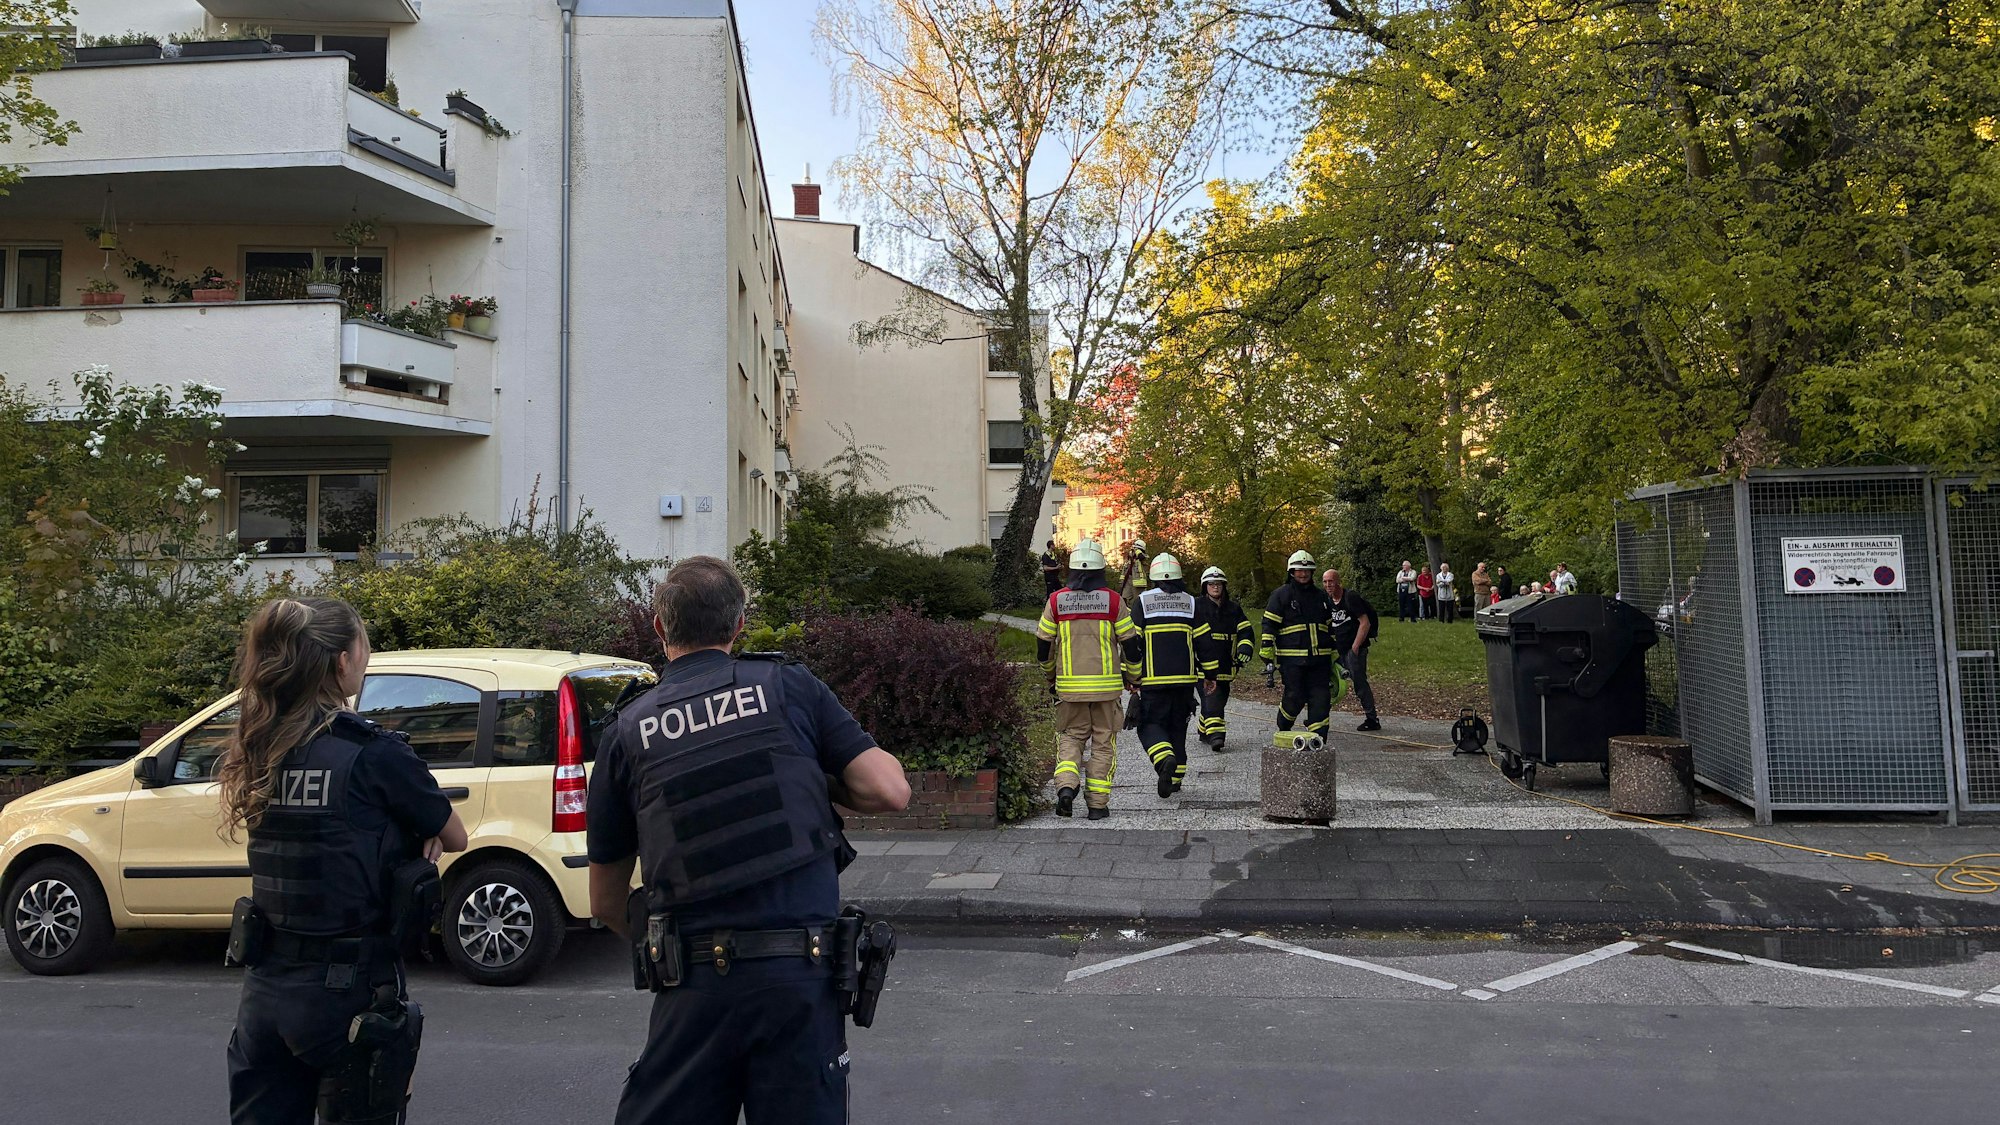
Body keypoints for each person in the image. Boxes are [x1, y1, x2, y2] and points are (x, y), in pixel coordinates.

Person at [587, 557, 912, 1125]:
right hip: (800, 988)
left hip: (691, 990)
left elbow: (606, 903)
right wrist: (812, 780)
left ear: (660, 628)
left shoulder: (628, 731)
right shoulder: (787, 687)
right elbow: (889, 790)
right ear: (739, 625)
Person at [218, 596, 470, 1125]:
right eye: (364, 646)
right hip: (346, 994)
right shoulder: (374, 751)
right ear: (341, 662)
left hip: (265, 992)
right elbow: (455, 834)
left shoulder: (261, 743)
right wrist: (414, 835)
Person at [1036, 540, 1141, 819]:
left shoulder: (1056, 601)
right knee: (1103, 744)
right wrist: (1134, 678)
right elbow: (1131, 645)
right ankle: (1097, 805)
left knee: (1071, 739)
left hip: (1069, 691)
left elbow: (1043, 644)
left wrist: (1050, 676)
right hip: (1107, 691)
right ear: (1101, 569)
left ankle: (1066, 788)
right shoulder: (1114, 602)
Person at [1128, 553, 1217, 797]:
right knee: (1178, 728)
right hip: (1184, 683)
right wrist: (1211, 674)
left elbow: (1132, 643)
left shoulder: (1143, 603)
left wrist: (1131, 677)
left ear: (1154, 577)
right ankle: (1175, 779)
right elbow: (1205, 643)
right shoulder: (1191, 603)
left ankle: (1164, 760)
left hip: (1153, 682)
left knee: (1150, 725)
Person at [1260, 551, 1340, 743]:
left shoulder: (1321, 597)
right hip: (1292, 660)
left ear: (1312, 572)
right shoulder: (1281, 595)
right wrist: (1267, 648)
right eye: (1299, 570)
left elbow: (1329, 628)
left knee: (1321, 698)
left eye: (1307, 570)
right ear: (1291, 572)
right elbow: (1269, 624)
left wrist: (1336, 654)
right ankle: (1284, 724)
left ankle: (1318, 739)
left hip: (1320, 660)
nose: (1303, 574)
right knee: (1295, 697)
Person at [1192, 566, 1255, 752]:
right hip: (1202, 664)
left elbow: (1246, 630)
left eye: (1218, 584)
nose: (1215, 587)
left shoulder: (1233, 608)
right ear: (1205, 586)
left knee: (1219, 698)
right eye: (1211, 584)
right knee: (1212, 697)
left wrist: (1245, 646)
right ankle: (1216, 737)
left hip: (1227, 663)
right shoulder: (1196, 606)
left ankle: (1204, 729)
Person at [1323, 569, 1381, 732]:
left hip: (1355, 649)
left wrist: (1355, 647)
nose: (1328, 585)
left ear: (1338, 582)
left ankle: (1372, 719)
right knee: (1327, 681)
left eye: (1331, 581)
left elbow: (1365, 623)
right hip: (1338, 649)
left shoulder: (1350, 598)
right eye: (1325, 582)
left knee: (1360, 684)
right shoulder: (1328, 600)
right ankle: (1320, 718)